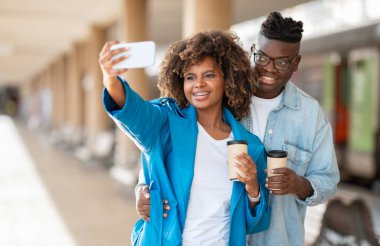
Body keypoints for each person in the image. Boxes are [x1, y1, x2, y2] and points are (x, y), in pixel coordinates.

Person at [136, 12, 340, 246]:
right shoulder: (221, 96)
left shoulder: (310, 115)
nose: (269, 69)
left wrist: (299, 185)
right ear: (253, 50)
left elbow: (327, 180)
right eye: (262, 58)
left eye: (282, 62)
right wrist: (142, 189)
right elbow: (166, 150)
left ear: (296, 63)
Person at [99, 30, 271, 246]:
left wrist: (253, 188)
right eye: (190, 77)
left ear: (227, 79)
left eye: (209, 75)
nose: (198, 84)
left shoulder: (250, 146)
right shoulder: (166, 125)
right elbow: (134, 112)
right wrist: (110, 78)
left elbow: (256, 223)